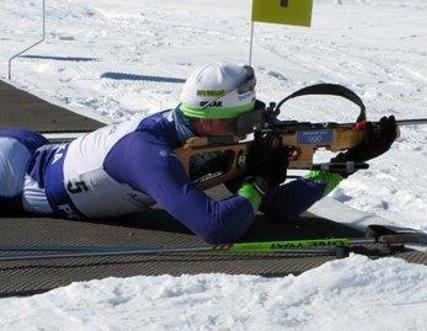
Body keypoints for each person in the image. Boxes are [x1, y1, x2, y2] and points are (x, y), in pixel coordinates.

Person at [0, 62, 397, 244]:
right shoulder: (145, 152)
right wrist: (257, 179)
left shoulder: (202, 142)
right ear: (208, 122)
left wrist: (339, 169)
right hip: (15, 175)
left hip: (42, 149)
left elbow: (275, 207)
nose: (252, 130)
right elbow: (217, 228)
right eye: (243, 123)